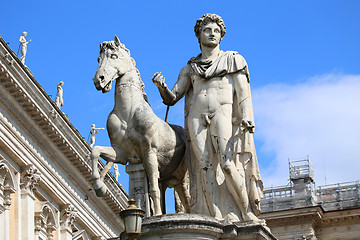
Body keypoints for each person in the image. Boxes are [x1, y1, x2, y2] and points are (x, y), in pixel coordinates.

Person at [152, 13, 263, 222]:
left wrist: (247, 116)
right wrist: (162, 86)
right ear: (199, 35)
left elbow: (243, 92)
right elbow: (172, 98)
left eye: (216, 31)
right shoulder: (191, 67)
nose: (212, 34)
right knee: (203, 168)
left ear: (221, 36)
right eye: (207, 30)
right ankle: (215, 214)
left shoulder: (233, 60)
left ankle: (245, 211)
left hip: (222, 111)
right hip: (196, 115)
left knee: (227, 163)